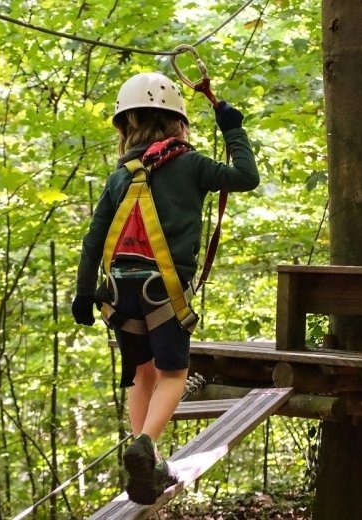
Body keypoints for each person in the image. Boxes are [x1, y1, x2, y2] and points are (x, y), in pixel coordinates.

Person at [71, 71, 259, 504]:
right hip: (164, 290)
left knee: (141, 373)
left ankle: (148, 463)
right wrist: (233, 129)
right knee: (173, 374)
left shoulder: (121, 177)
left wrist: (83, 292)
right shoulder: (191, 165)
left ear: (126, 125)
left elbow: (94, 238)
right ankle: (144, 447)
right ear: (177, 122)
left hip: (118, 292)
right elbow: (245, 177)